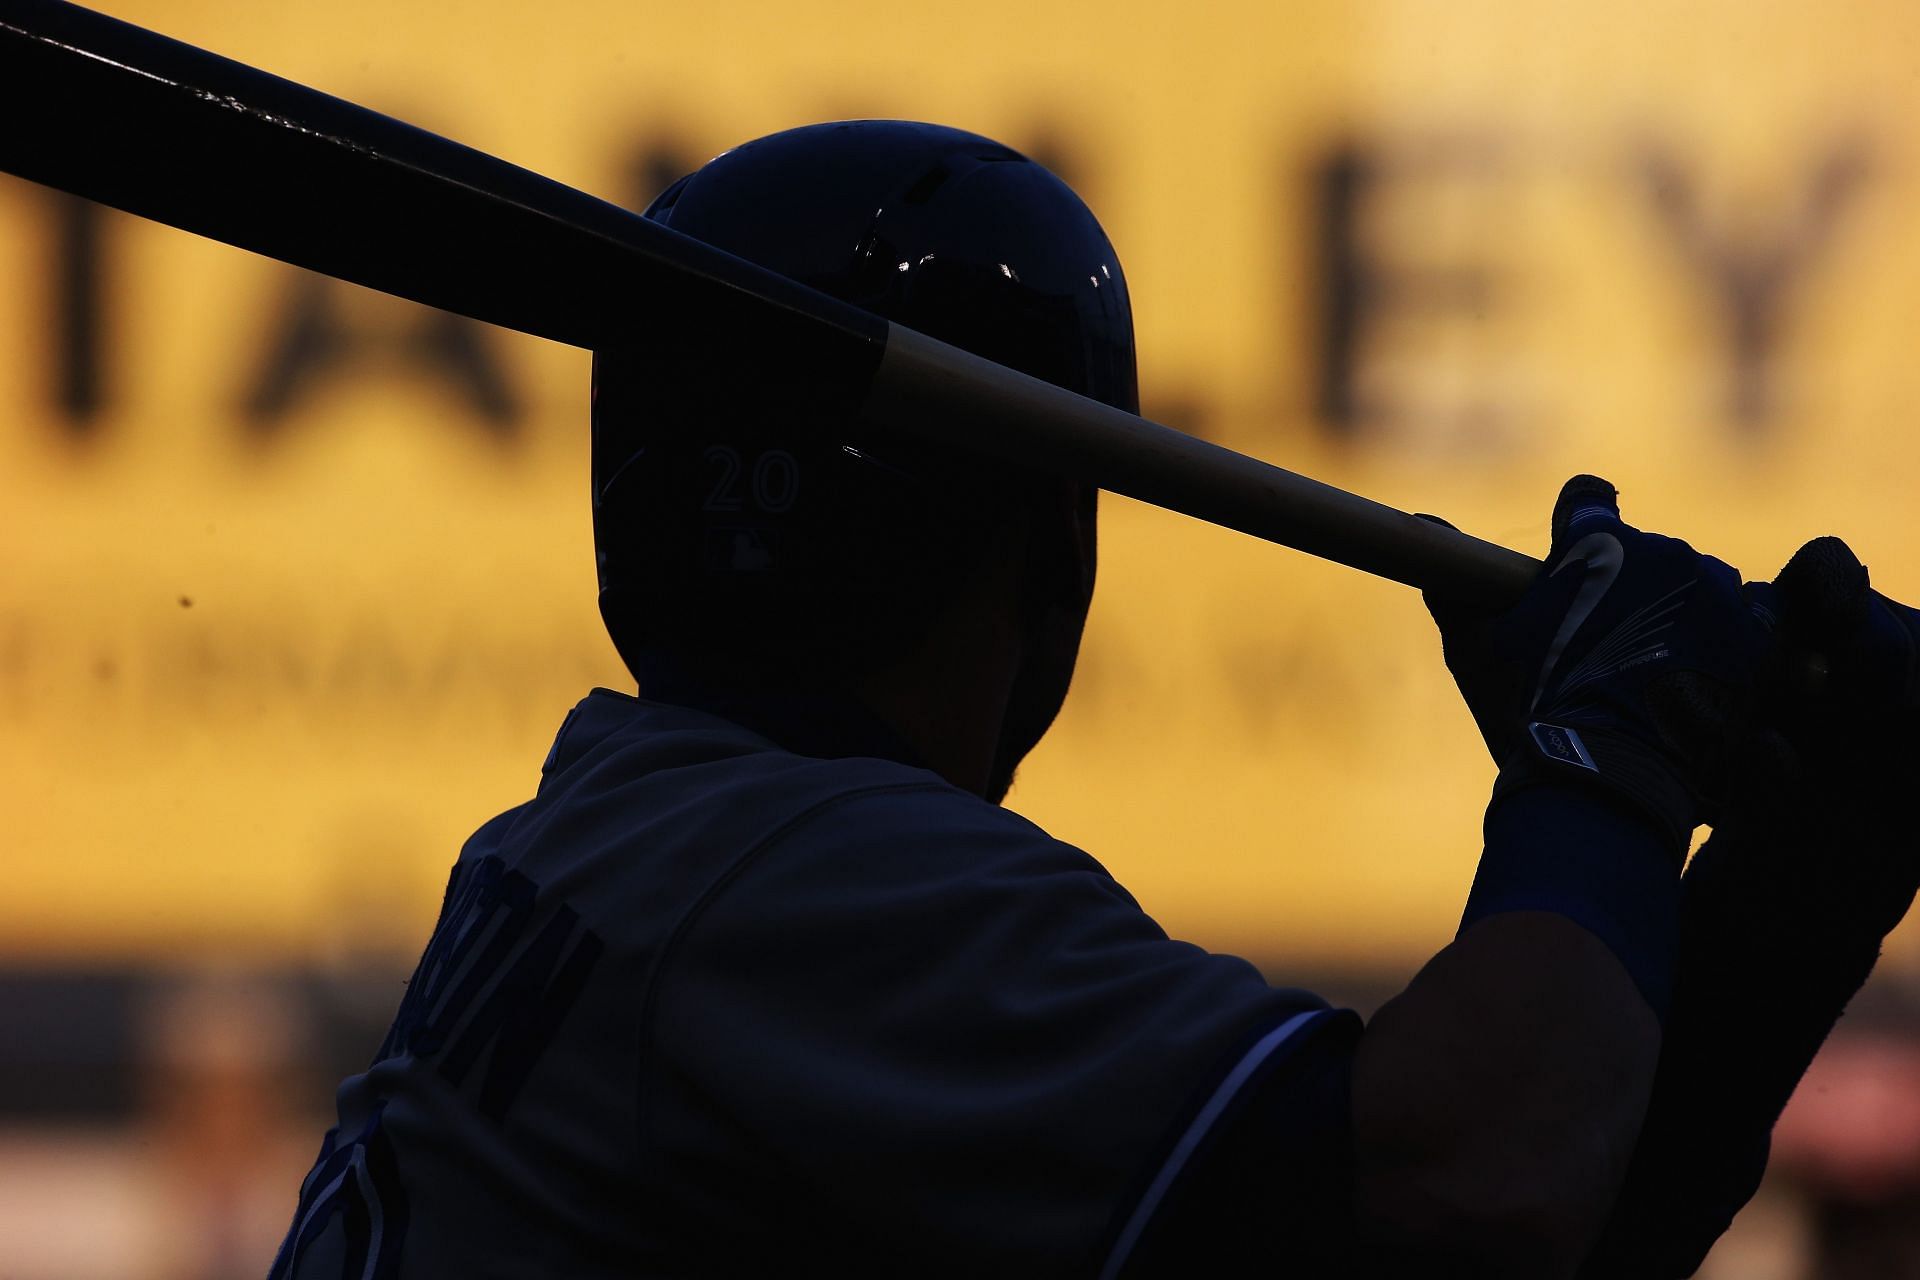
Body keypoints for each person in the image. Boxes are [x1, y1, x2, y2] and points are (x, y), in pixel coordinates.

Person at [270, 121, 1920, 1278]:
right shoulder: (800, 874)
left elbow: (1500, 1226)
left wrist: (1808, 865)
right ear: (1054, 539)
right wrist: (1603, 753)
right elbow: (1473, 1189)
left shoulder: (637, 836)